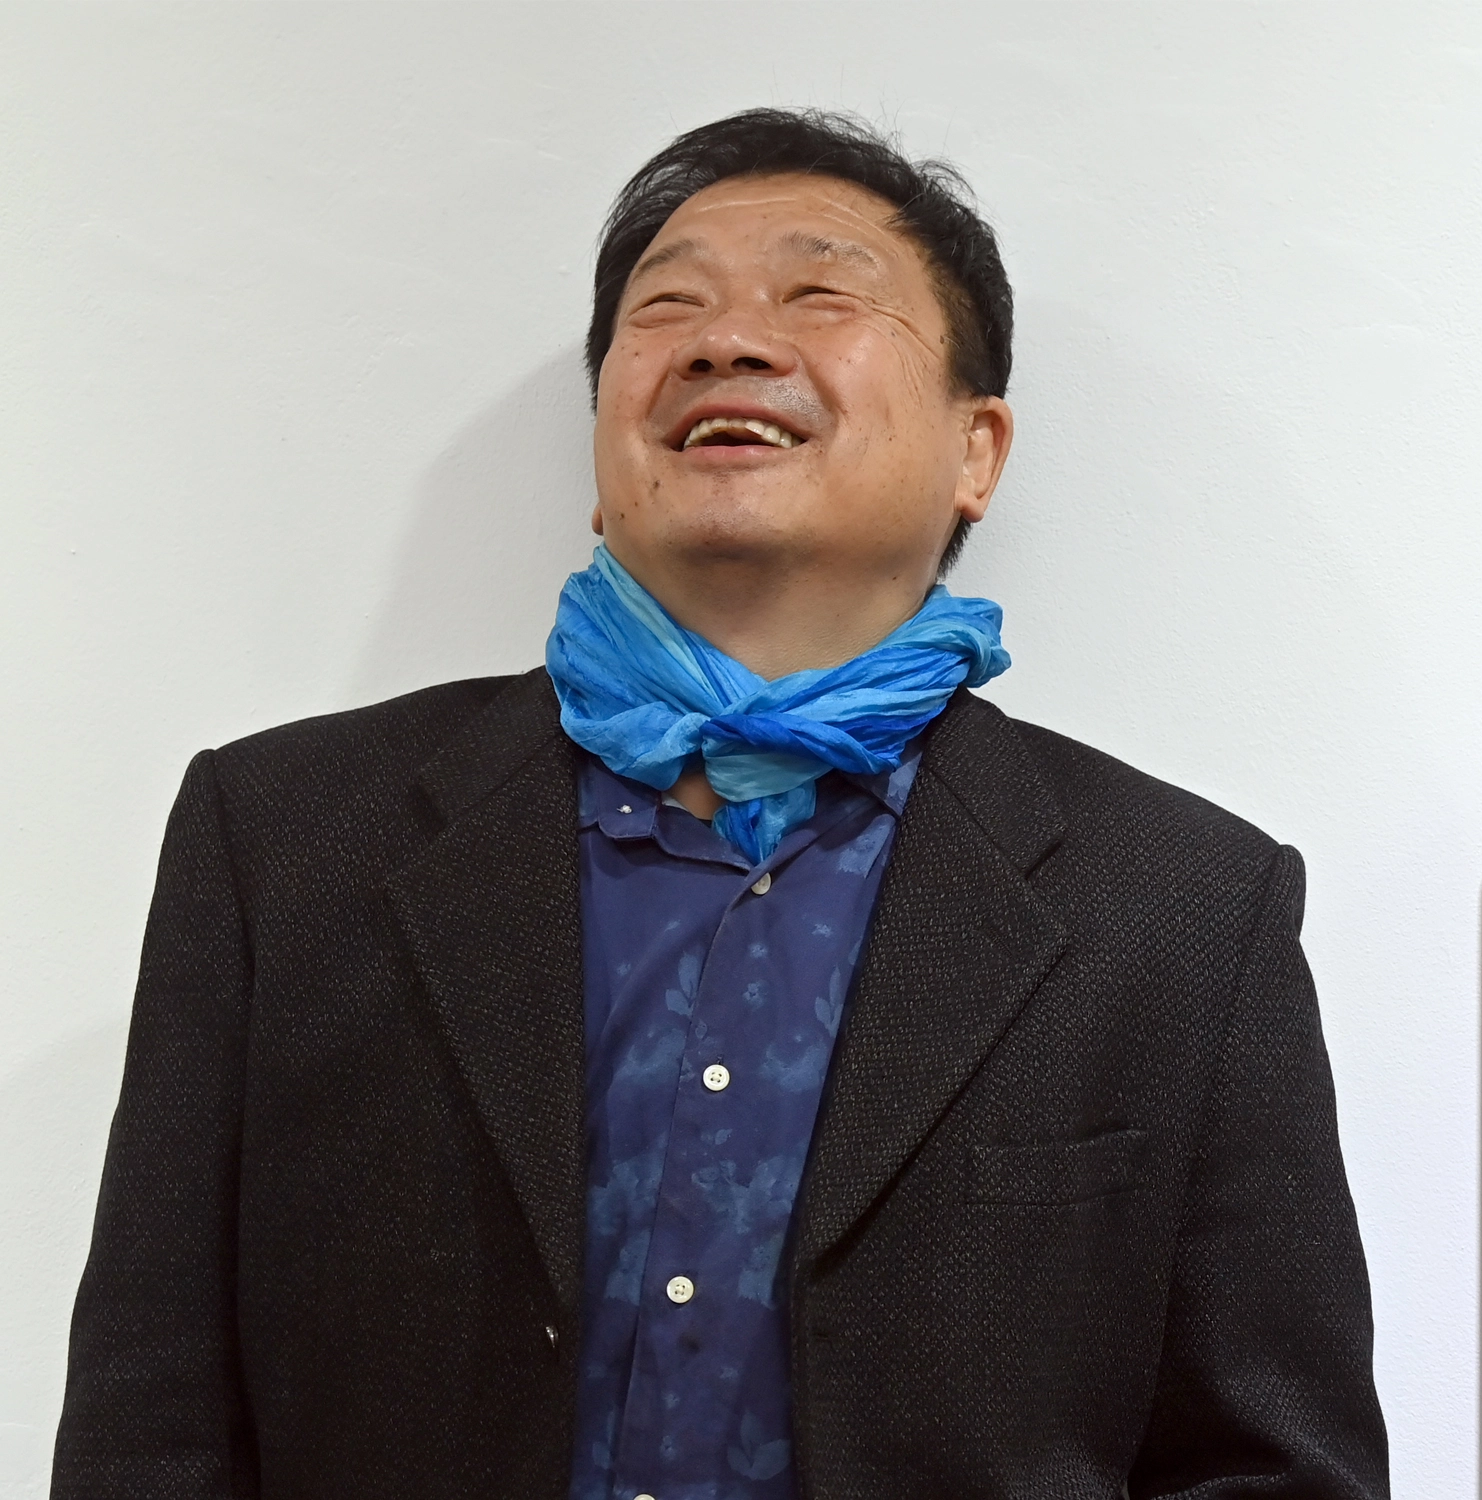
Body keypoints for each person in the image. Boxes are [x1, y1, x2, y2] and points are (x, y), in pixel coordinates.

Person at [52, 108, 1389, 1500]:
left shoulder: (1181, 906)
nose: (729, 340)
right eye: (669, 307)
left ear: (976, 451)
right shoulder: (284, 841)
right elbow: (150, 1430)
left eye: (821, 294)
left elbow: (1272, 1468)